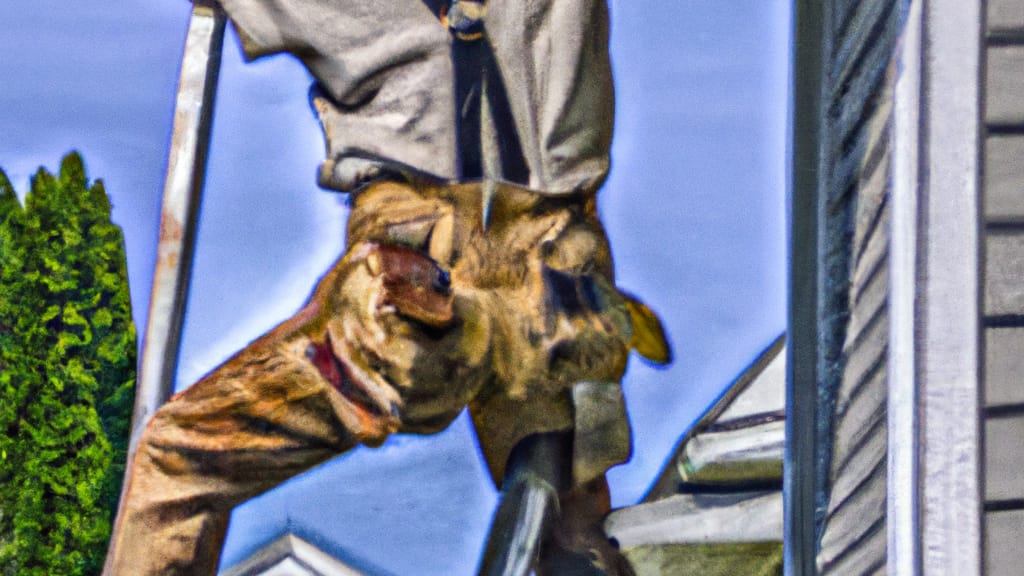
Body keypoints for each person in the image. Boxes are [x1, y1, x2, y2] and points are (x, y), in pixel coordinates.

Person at [103, 1, 669, 574]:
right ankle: (525, 355)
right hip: (559, 276)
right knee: (569, 527)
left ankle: (466, 326)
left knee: (175, 463)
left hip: (411, 279)